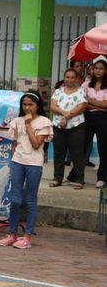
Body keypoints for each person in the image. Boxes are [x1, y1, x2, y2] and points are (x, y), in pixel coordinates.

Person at [0, 92, 52, 249]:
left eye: (31, 104)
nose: (27, 108)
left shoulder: (44, 122)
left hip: (34, 163)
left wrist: (28, 125)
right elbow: (15, 143)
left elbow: (36, 144)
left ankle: (27, 236)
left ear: (38, 105)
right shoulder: (17, 121)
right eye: (24, 104)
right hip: (18, 162)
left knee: (30, 200)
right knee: (15, 200)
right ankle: (12, 234)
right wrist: (13, 159)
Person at [49, 67, 87, 189]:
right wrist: (64, 113)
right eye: (67, 77)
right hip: (58, 126)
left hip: (76, 126)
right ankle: (57, 178)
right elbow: (53, 106)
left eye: (72, 77)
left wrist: (67, 117)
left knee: (77, 153)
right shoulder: (58, 91)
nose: (69, 79)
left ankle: (79, 179)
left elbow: (81, 107)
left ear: (76, 79)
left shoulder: (81, 91)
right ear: (64, 78)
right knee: (59, 153)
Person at [82, 57, 106, 188]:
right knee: (82, 146)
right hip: (88, 117)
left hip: (103, 118)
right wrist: (99, 105)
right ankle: (77, 175)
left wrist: (91, 102)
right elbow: (82, 102)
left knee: (104, 148)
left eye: (101, 68)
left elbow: (106, 105)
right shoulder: (86, 84)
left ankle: (102, 177)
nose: (98, 71)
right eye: (96, 68)